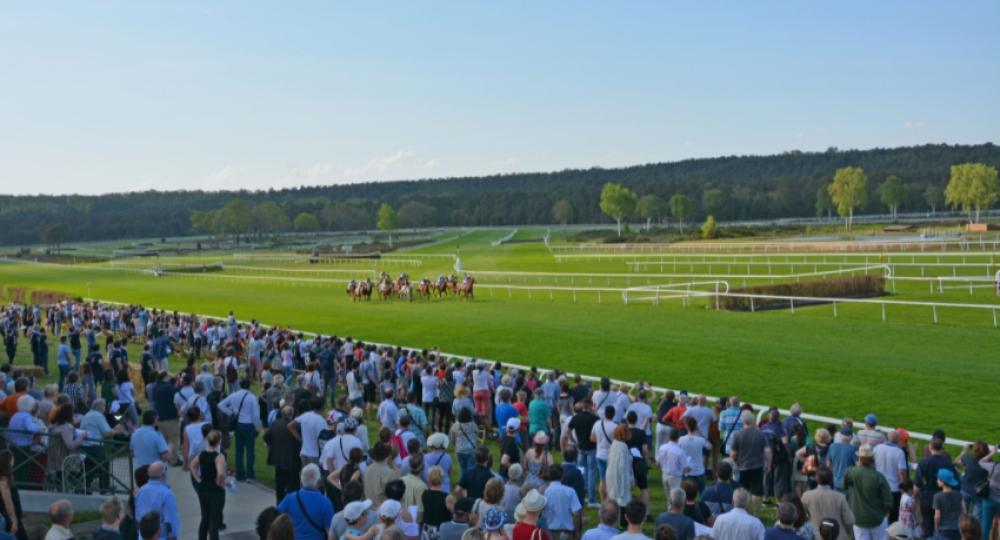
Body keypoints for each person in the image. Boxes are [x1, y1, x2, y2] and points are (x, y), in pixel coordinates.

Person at [278, 464, 335, 540]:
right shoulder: (326, 503)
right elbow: (330, 533)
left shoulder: (290, 498)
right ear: (319, 481)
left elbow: (276, 519)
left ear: (301, 480)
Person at [218, 379, 261, 482]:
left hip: (238, 425)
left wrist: (231, 412)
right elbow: (255, 415)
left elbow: (220, 405)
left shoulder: (234, 395)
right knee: (250, 451)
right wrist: (257, 427)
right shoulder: (252, 398)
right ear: (249, 386)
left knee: (239, 451)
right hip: (249, 425)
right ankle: (250, 475)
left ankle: (240, 475)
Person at [730, 410, 771, 512]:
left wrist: (733, 461)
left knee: (743, 490)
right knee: (756, 492)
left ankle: (745, 511)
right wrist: (768, 464)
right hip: (757, 466)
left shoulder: (737, 434)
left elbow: (733, 453)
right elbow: (767, 451)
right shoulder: (760, 434)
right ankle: (756, 513)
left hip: (742, 467)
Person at [916, 438, 957, 538]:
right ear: (942, 448)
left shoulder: (923, 462)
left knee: (928, 526)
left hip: (927, 498)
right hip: (944, 499)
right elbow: (954, 481)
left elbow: (918, 484)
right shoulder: (948, 463)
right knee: (941, 527)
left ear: (930, 447)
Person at [191, 431, 227, 540]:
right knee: (214, 521)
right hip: (215, 491)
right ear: (219, 441)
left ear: (208, 441)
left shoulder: (202, 454)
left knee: (205, 518)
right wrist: (219, 482)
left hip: (203, 488)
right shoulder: (219, 457)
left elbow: (192, 466)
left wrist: (197, 478)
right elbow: (220, 473)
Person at [801, 467, 854, 540]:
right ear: (831, 479)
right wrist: (845, 531)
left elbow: (800, 517)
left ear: (816, 479)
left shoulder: (807, 496)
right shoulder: (840, 497)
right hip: (837, 535)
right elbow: (849, 520)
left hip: (816, 536)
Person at [264, 406, 301, 503]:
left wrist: (272, 444)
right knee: (292, 483)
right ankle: (291, 502)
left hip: (278, 458)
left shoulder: (275, 423)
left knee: (279, 482)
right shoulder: (295, 425)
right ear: (291, 414)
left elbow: (266, 436)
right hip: (292, 458)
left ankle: (280, 502)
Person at [135, 462, 180, 540]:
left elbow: (138, 516)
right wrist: (173, 536)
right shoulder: (166, 494)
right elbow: (171, 520)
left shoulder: (140, 491)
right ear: (163, 474)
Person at [567, 398, 600, 505]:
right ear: (591, 406)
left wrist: (573, 441)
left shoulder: (576, 417)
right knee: (591, 473)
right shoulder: (595, 418)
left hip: (580, 447)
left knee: (582, 472)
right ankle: (592, 498)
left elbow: (568, 431)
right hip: (592, 448)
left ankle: (582, 493)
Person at [873, 429, 908, 523]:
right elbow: (902, 472)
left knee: (879, 511)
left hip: (878, 486)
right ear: (898, 440)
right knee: (892, 515)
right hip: (893, 489)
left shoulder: (877, 448)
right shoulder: (899, 452)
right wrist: (904, 486)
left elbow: (873, 464)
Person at [542, 464, 583, 538]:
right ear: (562, 476)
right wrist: (577, 532)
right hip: (567, 533)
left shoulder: (544, 492)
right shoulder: (570, 491)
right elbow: (576, 514)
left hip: (549, 532)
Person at [288, 397, 328, 468]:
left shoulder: (305, 416)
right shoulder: (322, 421)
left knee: (305, 476)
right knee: (314, 477)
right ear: (322, 407)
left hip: (304, 453)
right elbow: (323, 440)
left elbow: (290, 426)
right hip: (315, 455)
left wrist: (300, 439)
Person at [606, 424, 634, 518]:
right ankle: (622, 521)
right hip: (620, 474)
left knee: (613, 496)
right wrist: (627, 480)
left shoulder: (614, 443)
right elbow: (622, 466)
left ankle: (612, 516)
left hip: (611, 473)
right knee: (622, 498)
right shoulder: (623, 447)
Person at [591, 405, 618, 502]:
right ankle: (610, 500)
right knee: (611, 480)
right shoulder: (615, 426)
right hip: (611, 456)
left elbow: (592, 438)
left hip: (600, 454)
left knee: (602, 480)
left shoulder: (597, 424)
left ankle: (604, 501)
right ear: (613, 414)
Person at [678, 417, 711, 494]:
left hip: (687, 471)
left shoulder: (681, 439)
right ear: (696, 427)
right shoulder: (701, 440)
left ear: (686, 426)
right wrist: (700, 432)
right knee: (702, 494)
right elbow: (710, 446)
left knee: (685, 495)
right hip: (699, 471)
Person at [657, 427, 690, 498]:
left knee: (669, 499)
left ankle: (669, 509)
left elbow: (658, 464)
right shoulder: (680, 451)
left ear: (669, 436)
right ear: (678, 437)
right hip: (675, 477)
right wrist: (690, 467)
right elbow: (686, 468)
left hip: (664, 475)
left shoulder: (662, 448)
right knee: (676, 499)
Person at [0, 450, 26, 540]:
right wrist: (14, 520)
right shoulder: (3, 479)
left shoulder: (6, 477)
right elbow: (8, 502)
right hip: (8, 517)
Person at [363, 442, 400, 506]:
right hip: (384, 511)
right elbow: (396, 496)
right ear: (388, 456)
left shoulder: (366, 470)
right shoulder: (390, 473)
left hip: (369, 508)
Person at [933, 469, 962, 540]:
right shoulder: (958, 494)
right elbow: (963, 510)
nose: (937, 481)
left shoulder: (937, 496)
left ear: (943, 482)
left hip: (944, 529)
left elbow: (937, 516)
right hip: (957, 527)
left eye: (938, 479)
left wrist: (936, 527)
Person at [452, 408, 479, 474]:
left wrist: (455, 445)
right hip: (471, 449)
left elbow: (452, 438)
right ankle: (470, 482)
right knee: (471, 469)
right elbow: (477, 432)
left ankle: (463, 482)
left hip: (459, 450)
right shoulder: (472, 424)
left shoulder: (456, 425)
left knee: (462, 469)